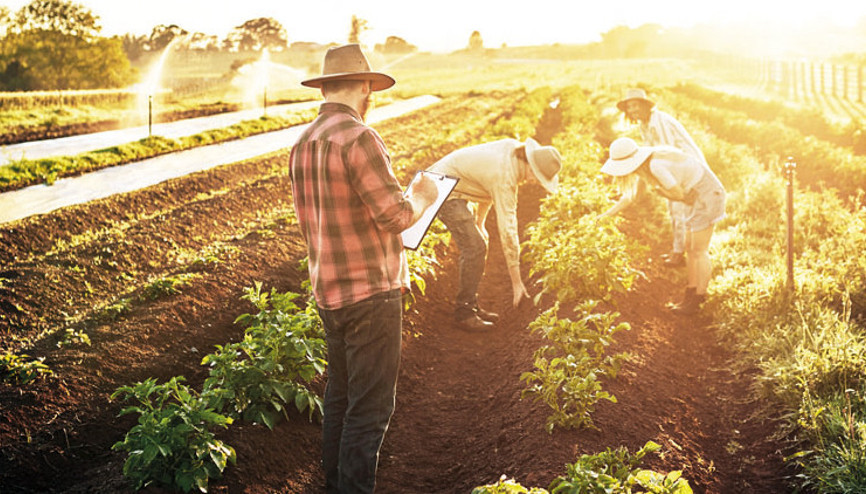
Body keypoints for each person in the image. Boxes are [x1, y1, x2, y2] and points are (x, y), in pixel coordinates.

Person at [289, 44, 438, 493]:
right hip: (371, 294)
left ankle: (334, 485)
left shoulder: (302, 143)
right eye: (370, 88)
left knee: (339, 397)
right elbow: (395, 216)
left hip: (328, 291)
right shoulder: (359, 138)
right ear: (364, 87)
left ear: (325, 87)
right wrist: (423, 195)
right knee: (370, 410)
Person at [427, 137, 562, 329]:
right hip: (441, 189)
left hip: (454, 184)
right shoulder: (505, 175)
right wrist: (516, 282)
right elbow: (508, 229)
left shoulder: (512, 151)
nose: (534, 182)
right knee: (475, 248)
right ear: (530, 165)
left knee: (478, 243)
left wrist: (480, 222)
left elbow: (486, 187)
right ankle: (464, 313)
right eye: (537, 176)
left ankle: (471, 305)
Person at [599, 137, 726, 315]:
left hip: (708, 195)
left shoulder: (655, 166)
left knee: (699, 250)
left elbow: (678, 194)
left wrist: (660, 191)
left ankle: (699, 299)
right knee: (690, 248)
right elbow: (630, 197)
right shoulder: (646, 166)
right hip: (695, 196)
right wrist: (605, 216)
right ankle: (690, 294)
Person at [617, 88, 709, 268]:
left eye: (635, 105)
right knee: (675, 209)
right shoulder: (645, 124)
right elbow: (650, 155)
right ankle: (679, 249)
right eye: (629, 107)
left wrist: (661, 181)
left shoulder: (660, 122)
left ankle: (680, 253)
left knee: (679, 210)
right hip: (675, 167)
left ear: (645, 105)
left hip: (685, 167)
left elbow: (670, 153)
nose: (632, 110)